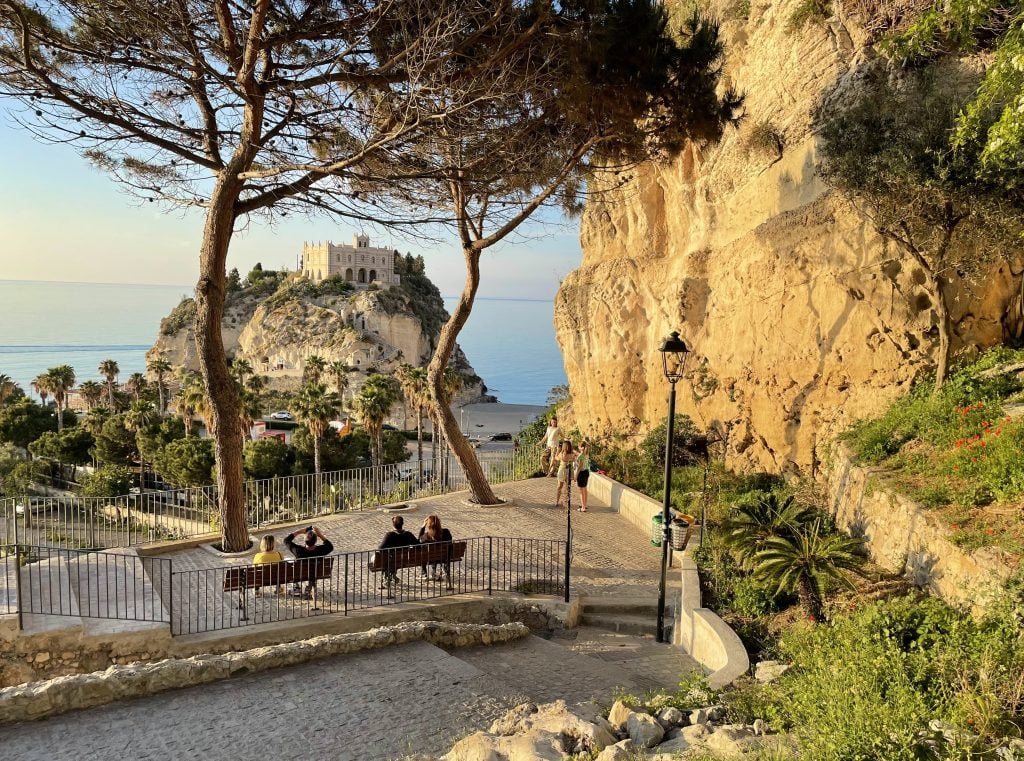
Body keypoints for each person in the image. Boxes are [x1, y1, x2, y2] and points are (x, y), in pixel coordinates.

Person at [283, 525, 334, 598]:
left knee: (289, 562)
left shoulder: (298, 551)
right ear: (316, 540)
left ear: (304, 540)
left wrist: (299, 532)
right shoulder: (321, 550)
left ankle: (296, 587)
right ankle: (311, 584)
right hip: (316, 573)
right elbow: (330, 546)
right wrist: (319, 534)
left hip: (300, 574)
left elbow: (286, 541)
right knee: (311, 568)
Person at [377, 514, 419, 595]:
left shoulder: (390, 535)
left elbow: (380, 548)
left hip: (391, 560)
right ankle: (392, 575)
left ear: (393, 525)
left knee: (386, 557)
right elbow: (418, 545)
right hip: (404, 560)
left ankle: (387, 577)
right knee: (394, 558)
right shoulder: (408, 535)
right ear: (402, 524)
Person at [418, 514, 454, 589]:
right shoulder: (446, 532)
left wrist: (422, 526)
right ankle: (435, 572)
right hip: (444, 557)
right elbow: (450, 542)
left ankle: (424, 573)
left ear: (428, 525)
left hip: (429, 558)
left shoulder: (426, 536)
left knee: (422, 554)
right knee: (436, 553)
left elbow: (418, 541)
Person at [554, 440, 576, 509]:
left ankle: (557, 502)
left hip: (562, 470)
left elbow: (556, 458)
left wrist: (558, 450)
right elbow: (575, 459)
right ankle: (566, 502)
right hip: (569, 470)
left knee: (559, 487)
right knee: (567, 487)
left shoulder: (562, 454)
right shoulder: (572, 454)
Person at [575, 441, 592, 512]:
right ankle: (584, 504)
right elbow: (579, 454)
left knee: (581, 491)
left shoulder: (581, 456)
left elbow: (579, 467)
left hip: (581, 473)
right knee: (585, 489)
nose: (578, 447)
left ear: (582, 447)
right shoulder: (586, 454)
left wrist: (576, 476)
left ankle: (583, 508)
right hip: (586, 472)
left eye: (579, 446)